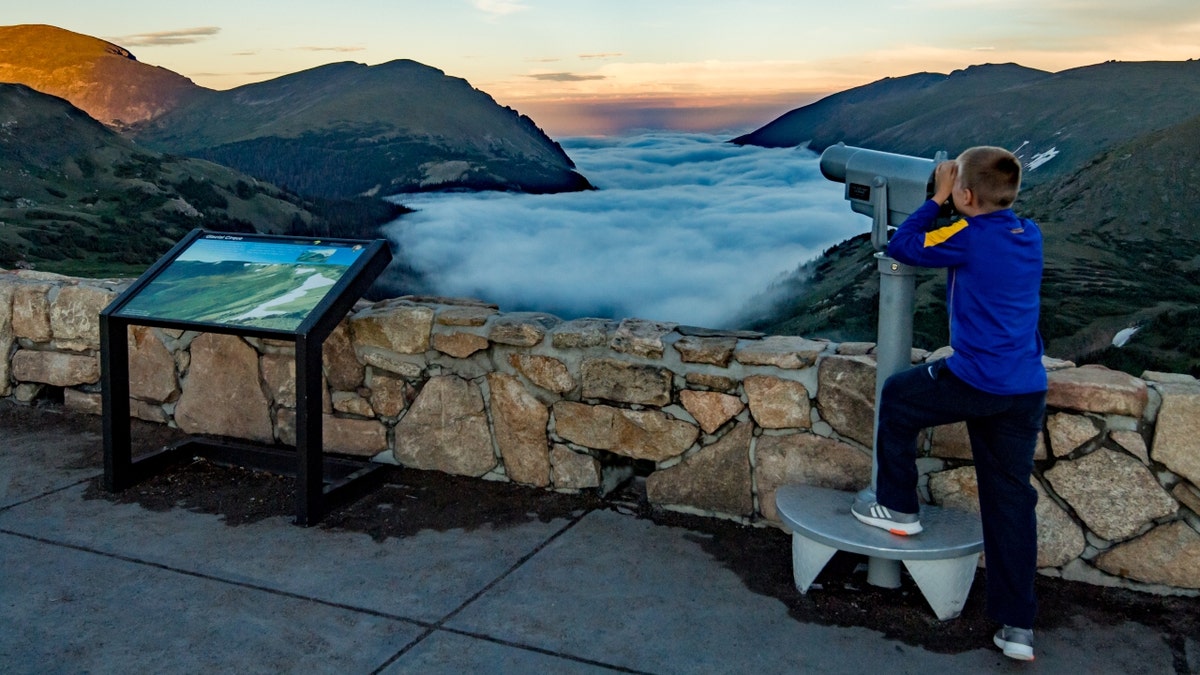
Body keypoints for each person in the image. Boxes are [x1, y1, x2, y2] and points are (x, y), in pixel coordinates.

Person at [849, 146, 1047, 662]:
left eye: (955, 186)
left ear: (965, 195)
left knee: (898, 396)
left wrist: (936, 201)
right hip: (1024, 389)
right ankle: (1017, 627)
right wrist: (954, 194)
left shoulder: (968, 235)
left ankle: (898, 506)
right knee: (1009, 502)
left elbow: (908, 246)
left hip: (977, 379)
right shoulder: (1029, 235)